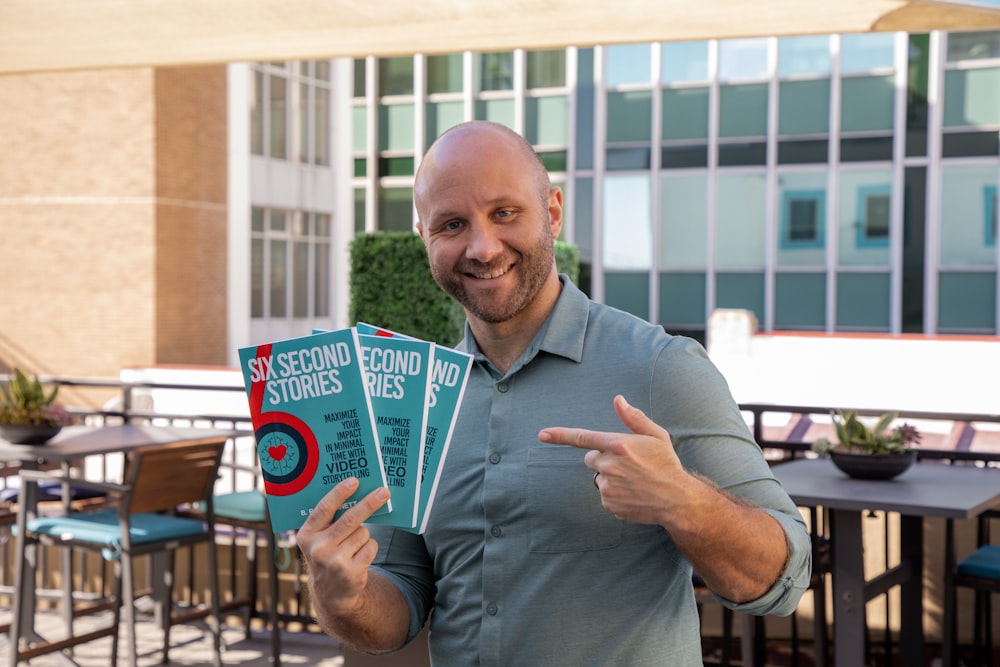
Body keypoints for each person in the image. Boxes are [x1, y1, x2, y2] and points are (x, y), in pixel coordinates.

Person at [297, 120, 812, 665]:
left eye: (504, 213)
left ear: (553, 212)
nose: (483, 246)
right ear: (425, 236)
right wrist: (340, 594)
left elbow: (786, 578)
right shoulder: (416, 399)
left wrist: (683, 501)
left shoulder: (663, 367)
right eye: (452, 224)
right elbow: (397, 605)